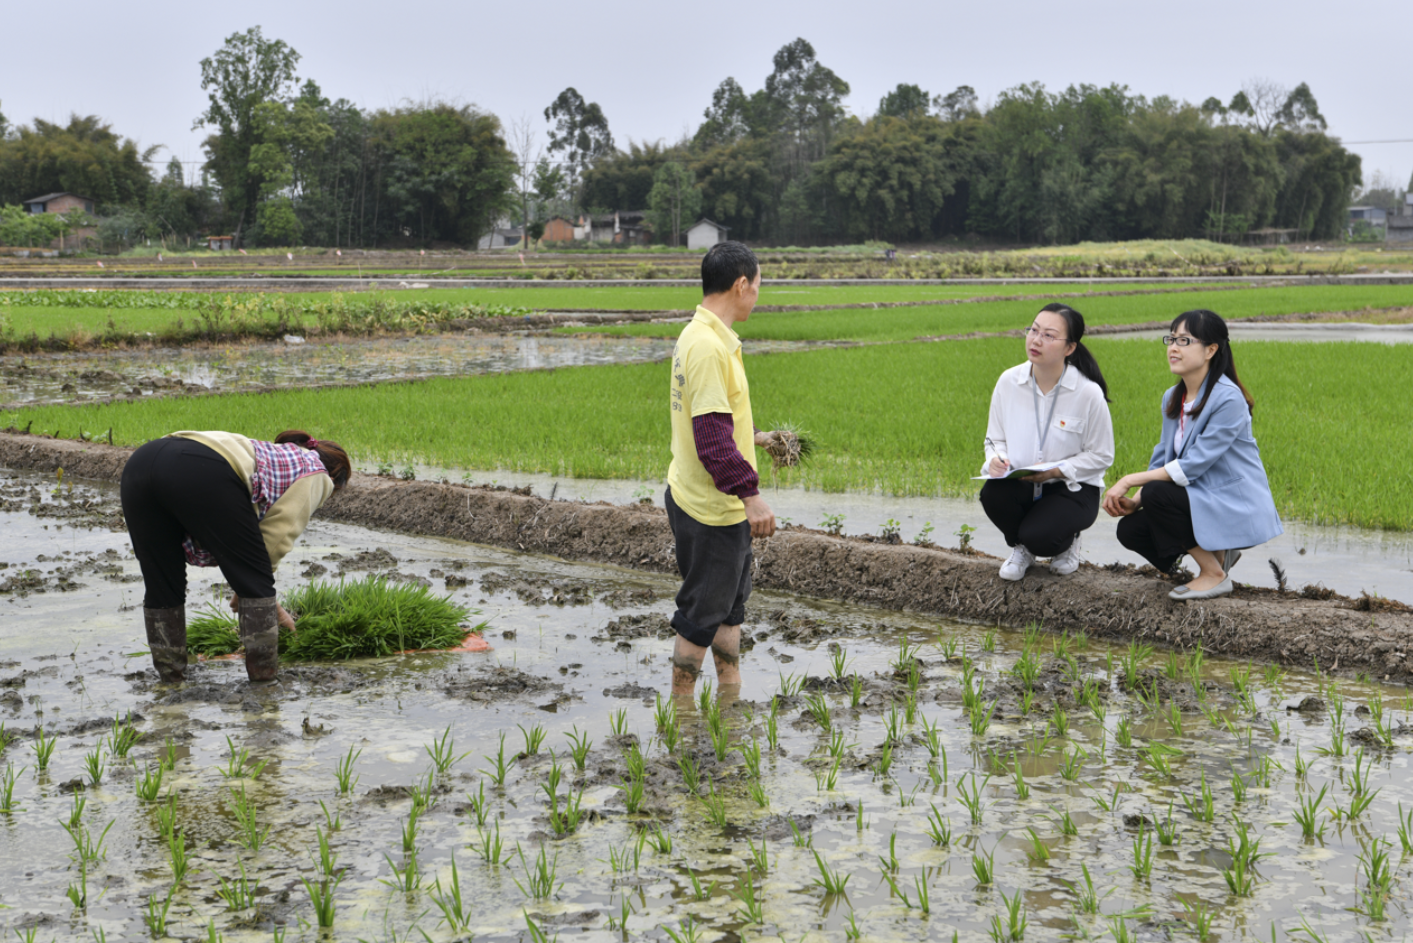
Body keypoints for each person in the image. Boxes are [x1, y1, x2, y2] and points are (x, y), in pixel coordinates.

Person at [119, 429, 351, 682]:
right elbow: (276, 538)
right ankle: (264, 685)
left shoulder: (274, 454)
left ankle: (170, 681)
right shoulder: (316, 472)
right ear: (336, 478)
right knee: (255, 581)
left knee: (161, 580)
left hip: (141, 462)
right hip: (199, 468)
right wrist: (251, 591)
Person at [665, 241, 780, 696]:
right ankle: (683, 708)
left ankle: (729, 690)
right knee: (700, 614)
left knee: (730, 606)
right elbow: (712, 443)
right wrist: (752, 497)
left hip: (712, 503)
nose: (758, 294)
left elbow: (710, 421)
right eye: (758, 285)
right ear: (740, 284)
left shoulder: (699, 335)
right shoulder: (708, 347)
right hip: (713, 510)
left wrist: (756, 438)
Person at [1103, 309, 1282, 601]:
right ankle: (1217, 553)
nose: (1173, 347)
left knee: (1156, 494)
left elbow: (1192, 465)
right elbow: (1164, 455)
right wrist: (1135, 501)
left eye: (1184, 340)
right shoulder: (1172, 397)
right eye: (1171, 339)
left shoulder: (1228, 398)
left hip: (1231, 501)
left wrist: (1130, 480)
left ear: (1211, 349)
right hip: (1200, 496)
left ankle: (1214, 573)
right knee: (1130, 529)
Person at [980, 303, 1115, 580]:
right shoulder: (1008, 381)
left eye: (1049, 335)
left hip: (1071, 488)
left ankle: (1067, 541)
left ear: (1070, 348)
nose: (1036, 340)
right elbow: (994, 438)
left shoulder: (1087, 392)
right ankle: (1021, 549)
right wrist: (995, 459)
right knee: (991, 494)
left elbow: (1102, 455)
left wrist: (1056, 470)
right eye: (1033, 330)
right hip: (1021, 482)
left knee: (1042, 537)